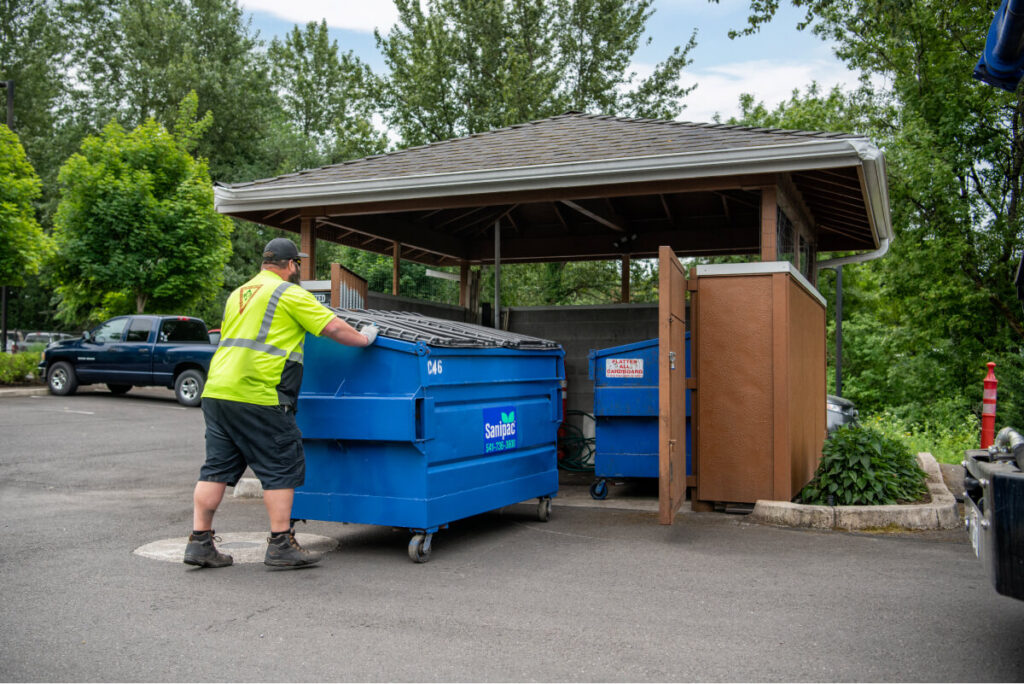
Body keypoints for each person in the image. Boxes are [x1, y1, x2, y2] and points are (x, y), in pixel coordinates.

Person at [184, 237, 379, 569]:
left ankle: (199, 541)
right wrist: (364, 338)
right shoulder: (288, 293)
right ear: (291, 265)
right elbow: (332, 327)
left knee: (215, 468)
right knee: (281, 467)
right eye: (297, 264)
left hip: (217, 391)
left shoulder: (238, 294)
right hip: (260, 392)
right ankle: (280, 544)